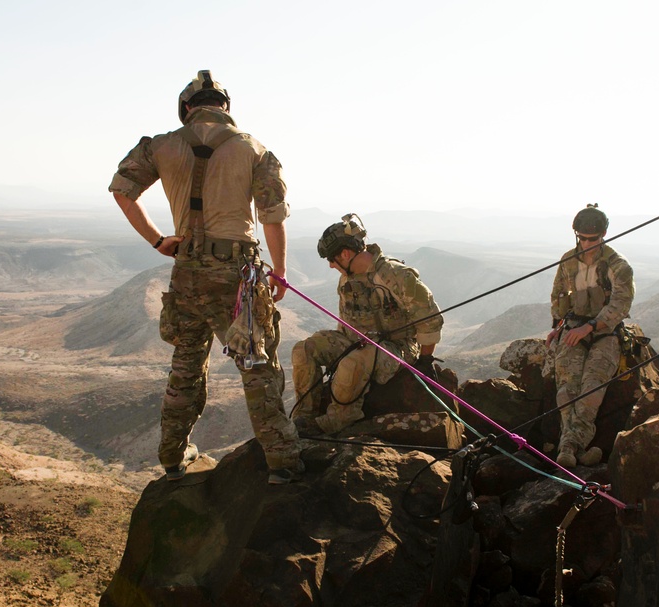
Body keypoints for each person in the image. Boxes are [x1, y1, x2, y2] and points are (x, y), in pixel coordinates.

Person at [108, 70, 303, 485]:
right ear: (225, 106)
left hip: (187, 271)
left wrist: (157, 240)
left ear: (186, 109)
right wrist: (280, 272)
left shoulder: (160, 146)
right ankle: (283, 465)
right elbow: (272, 217)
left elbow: (122, 189)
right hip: (236, 275)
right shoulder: (253, 148)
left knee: (186, 364)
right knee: (257, 367)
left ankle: (173, 458)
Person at [291, 215, 443, 436]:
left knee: (352, 363)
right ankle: (305, 417)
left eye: (332, 260)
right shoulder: (347, 278)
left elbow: (430, 318)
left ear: (345, 254)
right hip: (356, 341)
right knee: (303, 349)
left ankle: (337, 421)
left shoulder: (395, 275)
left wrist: (426, 361)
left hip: (396, 348)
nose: (332, 266)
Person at [545, 204, 635, 468]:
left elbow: (621, 303)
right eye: (582, 238)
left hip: (605, 331)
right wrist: (557, 326)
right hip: (573, 327)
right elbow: (558, 296)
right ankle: (577, 449)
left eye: (592, 239)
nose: (586, 243)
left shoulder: (618, 266)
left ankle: (567, 448)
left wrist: (590, 327)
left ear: (604, 234)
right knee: (567, 389)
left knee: (592, 388)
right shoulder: (568, 261)